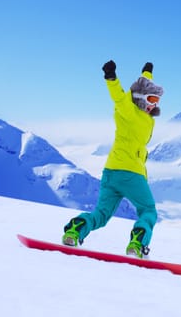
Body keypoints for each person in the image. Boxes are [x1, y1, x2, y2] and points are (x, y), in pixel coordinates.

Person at [62, 60, 164, 258]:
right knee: (148, 211)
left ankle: (75, 230)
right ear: (141, 98)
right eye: (151, 99)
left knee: (101, 215)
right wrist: (111, 77)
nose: (154, 104)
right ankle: (137, 244)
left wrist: (147, 73)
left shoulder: (138, 110)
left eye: (157, 101)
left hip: (110, 173)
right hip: (131, 173)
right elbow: (119, 97)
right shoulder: (130, 110)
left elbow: (140, 86)